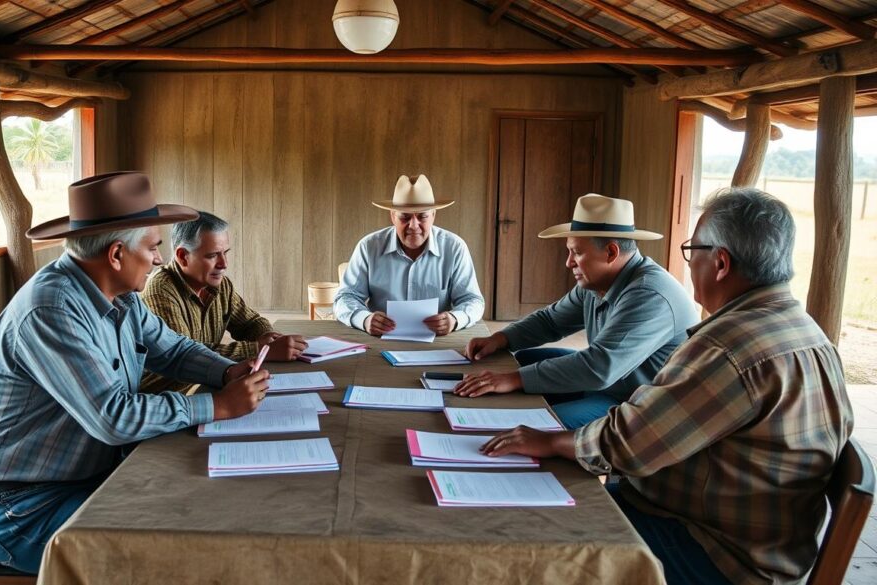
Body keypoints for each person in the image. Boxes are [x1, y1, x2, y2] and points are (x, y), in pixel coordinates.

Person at [480, 188, 853, 585]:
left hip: (715, 552)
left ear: (721, 263)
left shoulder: (727, 346)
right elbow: (555, 322)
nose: (689, 265)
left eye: (693, 252)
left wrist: (552, 441)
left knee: (537, 533)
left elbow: (628, 443)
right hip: (759, 542)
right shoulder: (808, 331)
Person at [0, 172, 270, 573]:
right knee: (174, 551)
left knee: (207, 506)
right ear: (117, 255)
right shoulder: (51, 311)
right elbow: (113, 417)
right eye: (154, 247)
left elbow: (172, 350)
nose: (159, 259)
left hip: (86, 474)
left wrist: (227, 373)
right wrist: (217, 406)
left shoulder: (120, 296)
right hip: (23, 508)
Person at [455, 193, 698, 429]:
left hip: (633, 404)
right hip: (607, 383)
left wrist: (513, 380)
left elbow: (600, 366)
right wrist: (499, 339)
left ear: (611, 253)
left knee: (539, 425)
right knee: (522, 359)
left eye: (577, 252)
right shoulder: (597, 283)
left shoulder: (649, 294)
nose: (569, 262)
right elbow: (550, 321)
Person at [140, 211, 307, 394]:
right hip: (170, 397)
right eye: (212, 256)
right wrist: (260, 349)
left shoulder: (220, 284)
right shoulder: (160, 289)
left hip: (207, 384)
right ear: (182, 256)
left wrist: (271, 337)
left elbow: (250, 322)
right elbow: (188, 355)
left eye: (225, 253)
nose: (224, 264)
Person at [334, 174, 484, 336]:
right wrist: (364, 319)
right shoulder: (369, 247)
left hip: (438, 343)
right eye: (404, 216)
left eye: (422, 216)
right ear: (393, 216)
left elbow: (472, 300)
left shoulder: (455, 248)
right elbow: (345, 297)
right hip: (379, 340)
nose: (413, 225)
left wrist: (455, 319)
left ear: (433, 215)